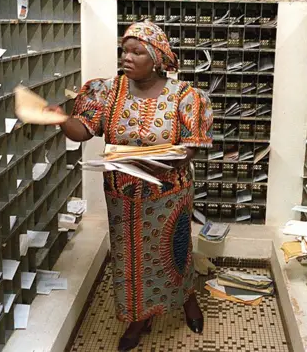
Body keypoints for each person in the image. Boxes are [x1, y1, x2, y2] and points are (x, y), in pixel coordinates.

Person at [45, 21, 214, 351]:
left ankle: (186, 299)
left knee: (175, 251)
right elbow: (83, 130)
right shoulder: (107, 91)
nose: (128, 57)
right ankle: (140, 316)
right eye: (125, 50)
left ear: (156, 57)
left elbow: (192, 145)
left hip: (169, 194)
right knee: (130, 260)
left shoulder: (185, 97)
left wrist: (162, 160)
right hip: (123, 197)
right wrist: (60, 119)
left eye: (137, 51)